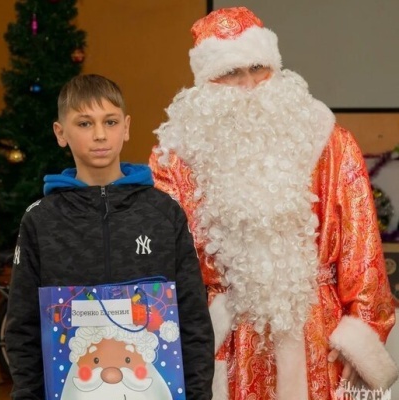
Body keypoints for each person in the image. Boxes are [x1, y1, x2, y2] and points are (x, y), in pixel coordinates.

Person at [149, 7, 398, 400]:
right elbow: (167, 266)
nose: (248, 84)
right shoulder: (175, 159)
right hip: (224, 341)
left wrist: (362, 334)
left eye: (257, 68)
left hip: (320, 336)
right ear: (206, 82)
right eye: (231, 73)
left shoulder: (329, 143)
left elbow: (361, 247)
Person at [5, 74, 214, 400]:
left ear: (126, 127)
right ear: (60, 133)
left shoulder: (164, 214)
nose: (100, 134)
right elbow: (23, 328)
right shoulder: (40, 221)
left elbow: (193, 318)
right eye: (84, 123)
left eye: (110, 122)